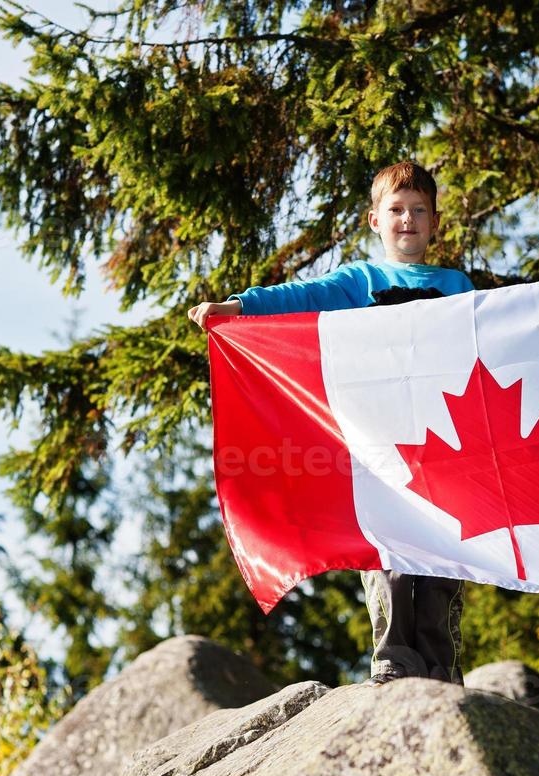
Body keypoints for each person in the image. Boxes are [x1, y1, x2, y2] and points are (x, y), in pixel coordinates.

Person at [188, 161, 473, 686]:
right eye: (396, 211)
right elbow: (298, 297)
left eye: (418, 212)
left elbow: (485, 341)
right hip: (381, 450)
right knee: (388, 557)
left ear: (435, 222)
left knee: (442, 560)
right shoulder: (358, 282)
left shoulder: (457, 286)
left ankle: (442, 672)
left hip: (445, 447)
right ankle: (393, 662)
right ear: (374, 220)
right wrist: (237, 307)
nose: (407, 220)